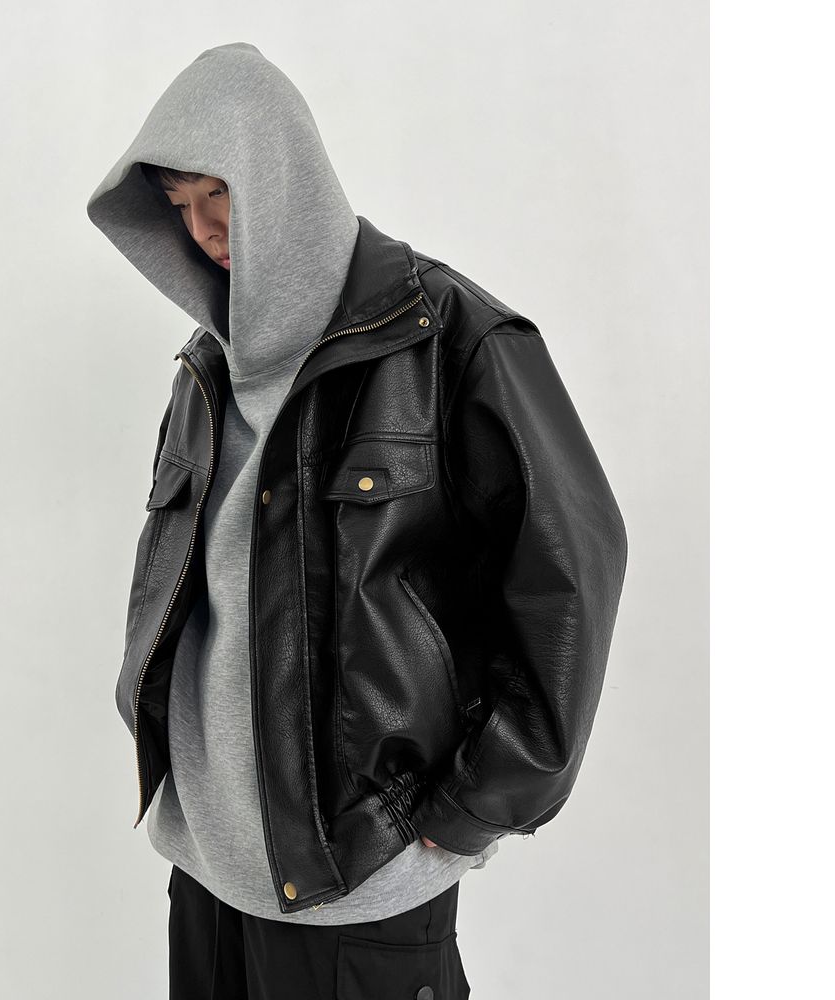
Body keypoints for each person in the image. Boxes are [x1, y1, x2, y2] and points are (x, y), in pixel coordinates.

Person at [86, 41, 628, 999]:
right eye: (180, 206)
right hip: (203, 876)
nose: (203, 229)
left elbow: (572, 567)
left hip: (360, 887)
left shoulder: (449, 337)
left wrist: (474, 802)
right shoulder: (205, 369)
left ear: (282, 172)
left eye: (219, 193)